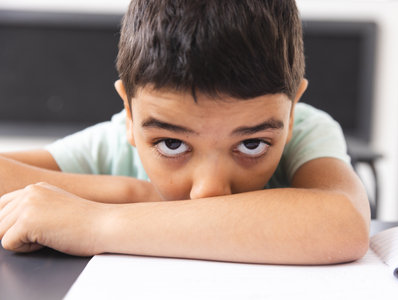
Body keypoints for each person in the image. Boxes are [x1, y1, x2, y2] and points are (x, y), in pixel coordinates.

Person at [0, 0, 370, 265]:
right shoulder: (111, 147)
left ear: (290, 115)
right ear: (129, 114)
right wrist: (130, 189)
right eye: (172, 144)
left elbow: (345, 223)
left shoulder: (307, 130)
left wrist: (99, 220)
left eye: (252, 144)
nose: (208, 191)